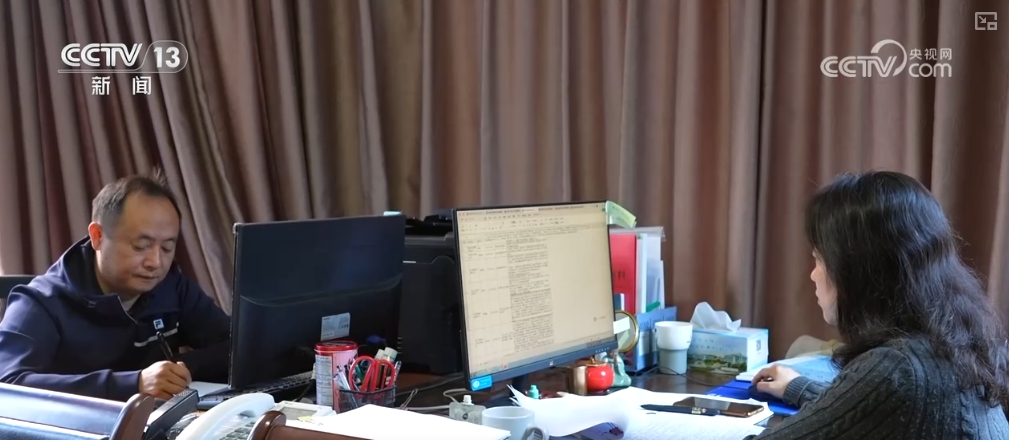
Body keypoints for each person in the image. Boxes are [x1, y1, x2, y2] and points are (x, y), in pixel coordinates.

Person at [743, 171, 1009, 439]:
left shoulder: (896, 368)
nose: (813, 275)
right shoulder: (955, 344)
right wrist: (799, 387)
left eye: (819, 259)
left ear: (857, 271)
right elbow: (878, 410)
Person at [0, 170, 231, 401]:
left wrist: (176, 370)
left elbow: (235, 348)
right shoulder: (41, 302)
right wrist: (133, 383)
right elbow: (7, 384)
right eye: (141, 246)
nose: (156, 262)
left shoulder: (171, 284)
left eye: (167, 248)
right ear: (97, 236)